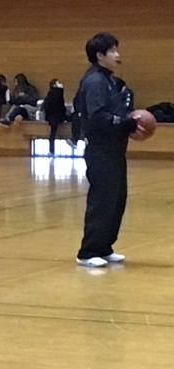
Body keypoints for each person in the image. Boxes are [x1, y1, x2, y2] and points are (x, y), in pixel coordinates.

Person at [75, 32, 144, 267]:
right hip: (101, 151)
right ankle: (88, 252)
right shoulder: (95, 81)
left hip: (115, 150)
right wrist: (123, 124)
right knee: (102, 200)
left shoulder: (109, 81)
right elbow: (97, 117)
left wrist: (128, 123)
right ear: (99, 55)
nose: (117, 55)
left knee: (116, 200)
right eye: (112, 50)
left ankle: (104, 247)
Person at [43, 79, 67, 155]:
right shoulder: (58, 93)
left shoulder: (51, 93)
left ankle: (51, 151)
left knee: (52, 134)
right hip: (56, 116)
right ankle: (51, 150)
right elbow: (60, 106)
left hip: (52, 117)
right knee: (53, 133)